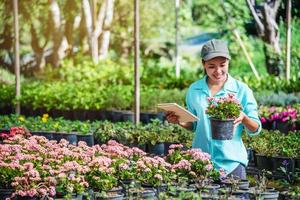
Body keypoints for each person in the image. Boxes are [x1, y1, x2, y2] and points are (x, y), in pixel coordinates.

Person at [166, 39, 261, 179]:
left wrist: (244, 118)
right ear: (203, 64)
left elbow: (256, 128)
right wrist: (179, 121)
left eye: (222, 65)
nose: (218, 71)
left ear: (228, 62)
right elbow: (194, 125)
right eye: (211, 66)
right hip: (201, 162)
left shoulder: (241, 90)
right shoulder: (194, 90)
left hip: (231, 164)